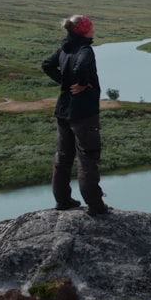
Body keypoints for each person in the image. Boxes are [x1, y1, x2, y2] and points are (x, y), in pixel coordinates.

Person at [41, 14, 110, 216]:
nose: (93, 30)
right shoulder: (85, 49)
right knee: (87, 157)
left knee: (63, 157)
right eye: (91, 27)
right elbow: (82, 65)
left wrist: (64, 82)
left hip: (63, 110)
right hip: (84, 113)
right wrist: (81, 83)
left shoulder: (65, 48)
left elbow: (47, 65)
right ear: (84, 30)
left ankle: (63, 201)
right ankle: (96, 206)